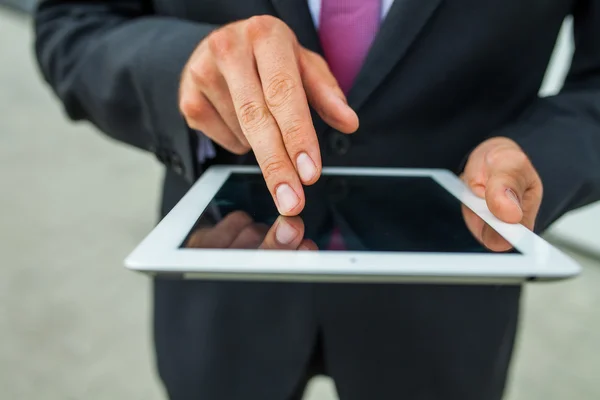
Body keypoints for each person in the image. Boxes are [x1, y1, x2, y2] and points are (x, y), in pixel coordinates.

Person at [33, 0, 600, 399]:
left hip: (443, 307)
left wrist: (538, 155)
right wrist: (180, 69)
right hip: (227, 282)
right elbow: (75, 20)